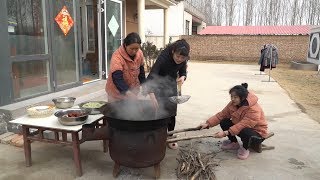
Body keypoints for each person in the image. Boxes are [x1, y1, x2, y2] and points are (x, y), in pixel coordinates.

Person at [199, 83, 268, 160]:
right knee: (224, 121)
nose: (232, 99)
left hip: (257, 132)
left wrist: (225, 133)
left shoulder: (254, 109)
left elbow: (244, 125)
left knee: (245, 131)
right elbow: (222, 115)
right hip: (240, 127)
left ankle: (245, 148)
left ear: (242, 98)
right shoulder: (233, 103)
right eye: (231, 96)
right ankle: (234, 143)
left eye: (235, 97)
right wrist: (208, 124)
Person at [146, 39, 190, 150]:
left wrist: (183, 76)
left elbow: (183, 70)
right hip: (157, 84)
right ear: (173, 52)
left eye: (182, 58)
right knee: (158, 110)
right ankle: (157, 135)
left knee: (171, 111)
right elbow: (152, 75)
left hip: (171, 83)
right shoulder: (163, 58)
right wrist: (151, 94)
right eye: (177, 56)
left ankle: (170, 136)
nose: (179, 59)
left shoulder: (183, 57)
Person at [105, 32, 149, 102]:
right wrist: (128, 92)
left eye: (137, 48)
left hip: (132, 92)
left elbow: (141, 72)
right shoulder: (117, 57)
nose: (134, 51)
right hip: (116, 95)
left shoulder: (139, 53)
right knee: (116, 112)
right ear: (125, 45)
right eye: (131, 49)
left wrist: (144, 85)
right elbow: (117, 78)